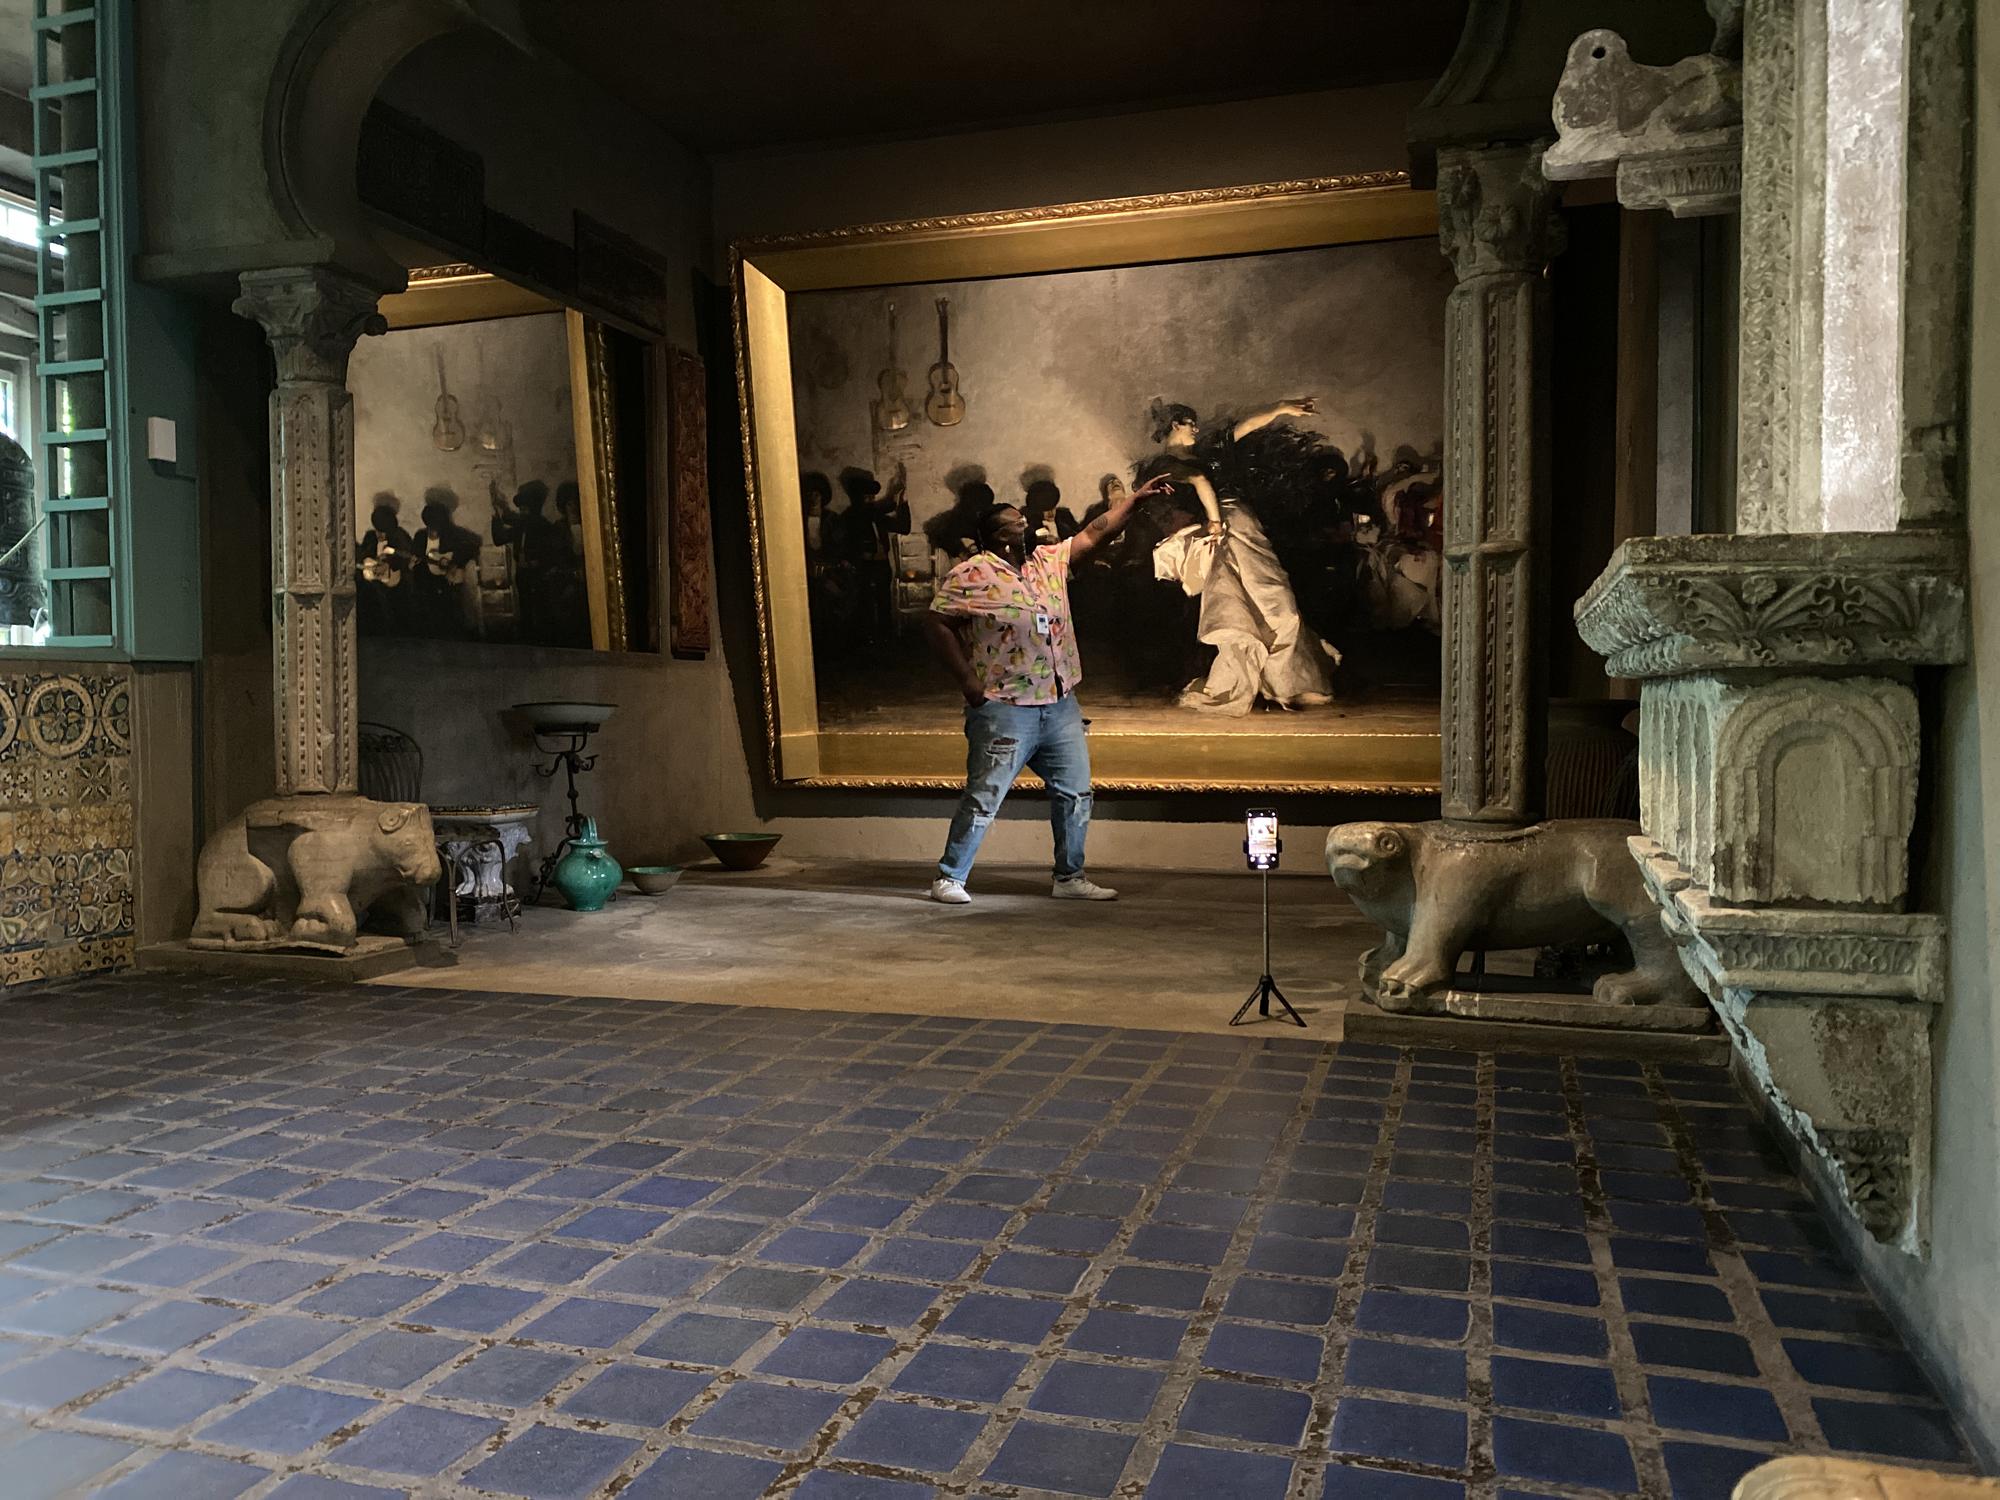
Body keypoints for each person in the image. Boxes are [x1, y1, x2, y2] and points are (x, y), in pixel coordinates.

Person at [922, 472, 1175, 905]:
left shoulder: (1047, 563)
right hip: (1005, 706)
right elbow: (936, 623)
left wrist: (1134, 500)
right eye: (1016, 522)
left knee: (1076, 793)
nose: (1026, 525)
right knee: (985, 795)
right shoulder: (974, 573)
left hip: (1058, 704)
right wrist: (969, 683)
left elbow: (1097, 532)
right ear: (999, 536)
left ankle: (1069, 877)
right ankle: (950, 877)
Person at [1138, 397, 1340, 714]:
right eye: (1191, 423)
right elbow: (1200, 481)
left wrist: (1280, 408)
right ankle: (1274, 685)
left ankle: (1285, 685)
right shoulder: (1164, 465)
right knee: (1251, 607)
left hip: (1238, 525)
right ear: (1175, 424)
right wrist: (1216, 521)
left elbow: (1242, 428)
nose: (1197, 429)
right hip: (1225, 527)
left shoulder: (1205, 451)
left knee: (1271, 603)